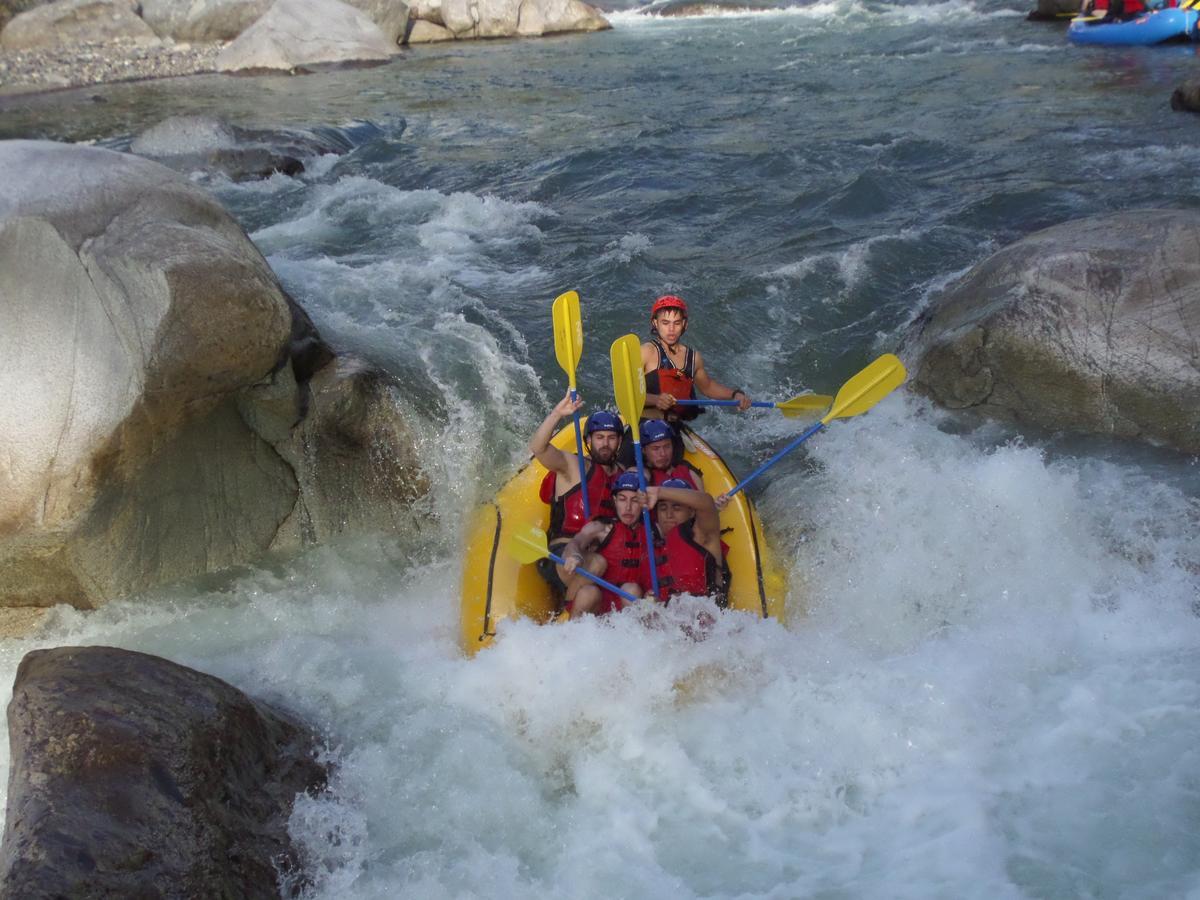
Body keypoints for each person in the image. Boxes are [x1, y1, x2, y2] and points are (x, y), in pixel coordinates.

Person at [529, 392, 624, 600]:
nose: (605, 444)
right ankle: (567, 610)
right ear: (589, 440)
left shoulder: (624, 475)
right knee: (597, 563)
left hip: (603, 552)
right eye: (599, 437)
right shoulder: (573, 466)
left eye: (611, 438)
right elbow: (539, 448)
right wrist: (557, 414)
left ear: (619, 442)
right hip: (562, 554)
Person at [640, 294, 752, 424]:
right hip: (645, 422)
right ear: (655, 323)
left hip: (672, 424)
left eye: (677, 323)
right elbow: (627, 394)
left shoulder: (693, 358)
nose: (671, 329)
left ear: (684, 324)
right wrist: (655, 399)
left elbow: (708, 387)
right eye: (665, 323)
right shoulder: (646, 352)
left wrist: (735, 394)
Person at [560, 472, 652, 615]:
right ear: (614, 500)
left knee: (631, 589)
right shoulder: (602, 527)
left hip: (628, 601)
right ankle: (571, 631)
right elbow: (576, 542)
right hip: (597, 602)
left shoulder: (652, 532)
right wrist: (574, 556)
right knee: (589, 592)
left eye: (634, 500)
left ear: (643, 503)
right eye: (622, 499)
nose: (628, 507)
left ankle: (631, 634)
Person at [644, 479, 730, 607]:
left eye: (676, 508)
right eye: (663, 508)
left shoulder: (703, 535)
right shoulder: (653, 549)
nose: (669, 515)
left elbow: (706, 502)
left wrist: (659, 492)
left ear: (691, 512)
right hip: (674, 621)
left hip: (708, 619)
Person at [640, 419, 704, 492]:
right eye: (655, 449)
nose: (663, 454)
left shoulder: (687, 470)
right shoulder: (642, 475)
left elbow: (704, 499)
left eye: (667, 446)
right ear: (643, 450)